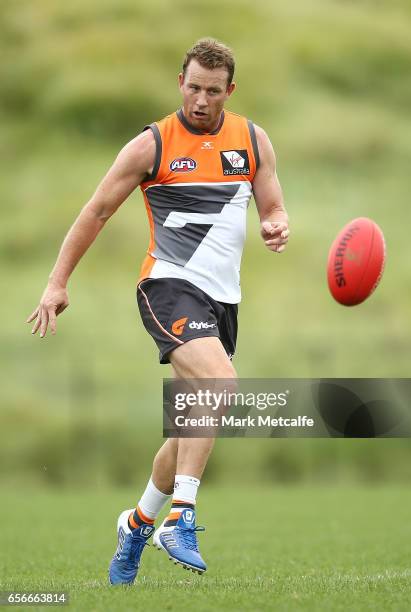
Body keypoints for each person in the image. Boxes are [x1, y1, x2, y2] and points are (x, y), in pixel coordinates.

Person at [27, 38, 289, 584]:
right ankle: (181, 517)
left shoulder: (252, 140)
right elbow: (96, 211)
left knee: (188, 426)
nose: (200, 99)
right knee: (222, 387)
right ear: (180, 82)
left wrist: (275, 224)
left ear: (229, 92)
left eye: (212, 91)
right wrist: (56, 283)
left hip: (222, 301)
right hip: (167, 285)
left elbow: (272, 204)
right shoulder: (150, 145)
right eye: (193, 87)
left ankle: (137, 522)